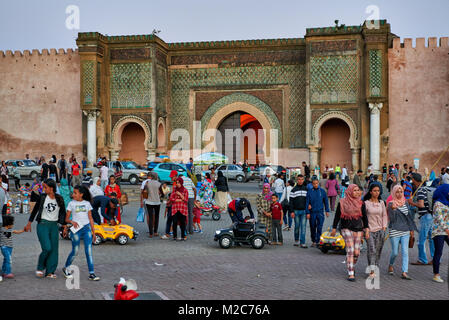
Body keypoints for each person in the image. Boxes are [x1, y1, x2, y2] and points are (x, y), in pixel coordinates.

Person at [24, 179, 67, 278]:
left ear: (51, 188)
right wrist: (29, 223)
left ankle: (50, 272)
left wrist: (64, 227)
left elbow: (62, 213)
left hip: (54, 226)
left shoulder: (59, 199)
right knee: (47, 248)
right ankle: (40, 267)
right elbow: (35, 210)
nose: (43, 189)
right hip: (43, 224)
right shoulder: (42, 197)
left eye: (45, 187)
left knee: (54, 250)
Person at [331, 184, 369, 281]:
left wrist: (366, 229)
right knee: (350, 250)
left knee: (356, 252)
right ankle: (351, 272)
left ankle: (350, 262)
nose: (357, 192)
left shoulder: (361, 203)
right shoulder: (342, 202)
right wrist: (334, 228)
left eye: (358, 190)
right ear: (349, 191)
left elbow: (364, 217)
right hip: (346, 228)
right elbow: (337, 216)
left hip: (358, 229)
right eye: (354, 190)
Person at [62, 185, 100, 281]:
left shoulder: (87, 204)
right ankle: (66, 267)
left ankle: (92, 273)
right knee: (75, 250)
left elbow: (91, 218)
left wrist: (94, 232)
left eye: (75, 193)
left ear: (81, 194)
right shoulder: (71, 204)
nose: (73, 194)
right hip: (76, 229)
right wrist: (71, 222)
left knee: (89, 251)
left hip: (86, 229)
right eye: (73, 192)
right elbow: (66, 218)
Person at [387, 185, 417, 280]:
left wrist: (411, 230)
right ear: (394, 193)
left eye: (401, 191)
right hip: (394, 230)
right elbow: (391, 219)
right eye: (397, 192)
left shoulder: (406, 203)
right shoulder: (390, 204)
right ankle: (391, 264)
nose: (399, 194)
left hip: (405, 231)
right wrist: (393, 209)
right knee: (395, 252)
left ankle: (404, 272)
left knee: (405, 252)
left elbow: (409, 218)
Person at [409, 173, 434, 266]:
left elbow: (421, 204)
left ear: (415, 180)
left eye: (412, 179)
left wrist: (412, 203)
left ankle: (422, 259)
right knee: (431, 239)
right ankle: (434, 259)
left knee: (421, 240)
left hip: (425, 217)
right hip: (430, 216)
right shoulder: (425, 188)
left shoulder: (420, 190)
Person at [362, 184, 388, 279]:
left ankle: (375, 266)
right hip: (369, 230)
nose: (377, 192)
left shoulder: (382, 203)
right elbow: (364, 217)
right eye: (374, 190)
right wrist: (366, 230)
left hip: (380, 230)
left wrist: (384, 227)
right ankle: (371, 270)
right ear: (370, 192)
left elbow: (384, 215)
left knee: (378, 250)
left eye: (378, 191)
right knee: (371, 249)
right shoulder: (366, 203)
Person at [430, 184, 449, 283]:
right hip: (439, 231)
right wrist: (446, 229)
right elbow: (439, 218)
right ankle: (436, 274)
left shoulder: (447, 203)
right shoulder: (437, 203)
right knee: (439, 252)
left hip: (447, 231)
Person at [306, 178, 330, 247]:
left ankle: (318, 240)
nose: (315, 185)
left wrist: (327, 210)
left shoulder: (322, 191)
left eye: (316, 183)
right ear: (312, 184)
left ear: (318, 183)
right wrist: (307, 212)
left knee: (319, 227)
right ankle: (313, 240)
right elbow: (307, 202)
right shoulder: (310, 191)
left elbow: (326, 201)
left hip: (320, 212)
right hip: (312, 212)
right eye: (314, 184)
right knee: (313, 227)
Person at [290, 175, 308, 248]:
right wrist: (291, 211)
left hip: (304, 211)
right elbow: (291, 202)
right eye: (299, 179)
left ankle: (302, 242)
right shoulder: (293, 190)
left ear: (303, 180)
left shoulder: (306, 189)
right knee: (297, 226)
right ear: (297, 180)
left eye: (301, 179)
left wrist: (309, 208)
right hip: (296, 211)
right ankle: (296, 240)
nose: (300, 181)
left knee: (303, 227)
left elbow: (308, 200)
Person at [140, 172, 161, 237]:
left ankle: (150, 233)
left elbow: (143, 192)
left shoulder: (147, 183)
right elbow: (162, 193)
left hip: (149, 202)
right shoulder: (159, 184)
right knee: (156, 217)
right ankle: (155, 232)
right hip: (157, 202)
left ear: (151, 177)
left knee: (150, 216)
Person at [170, 177, 189, 241]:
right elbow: (171, 198)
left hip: (182, 209)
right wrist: (178, 200)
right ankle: (174, 236)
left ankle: (183, 236)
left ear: (181, 183)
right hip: (175, 209)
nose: (177, 184)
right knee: (174, 222)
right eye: (176, 183)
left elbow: (186, 199)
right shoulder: (174, 189)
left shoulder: (185, 190)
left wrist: (180, 194)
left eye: (179, 182)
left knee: (182, 223)